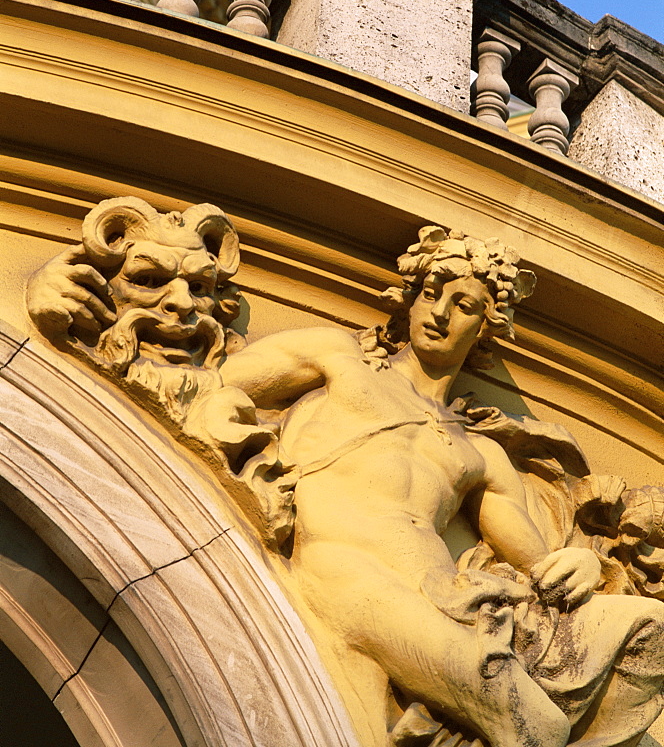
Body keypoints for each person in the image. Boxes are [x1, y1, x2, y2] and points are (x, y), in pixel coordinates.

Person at [27, 221, 664, 746]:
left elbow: (536, 562)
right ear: (408, 296)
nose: (439, 312)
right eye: (430, 291)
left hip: (448, 593)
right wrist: (70, 323)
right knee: (529, 720)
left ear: (487, 329)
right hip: (351, 575)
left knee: (645, 627)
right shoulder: (337, 358)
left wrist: (581, 563)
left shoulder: (486, 455)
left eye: (464, 304)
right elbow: (197, 386)